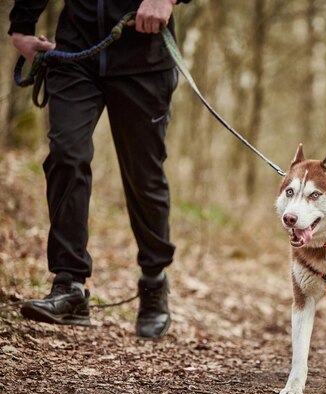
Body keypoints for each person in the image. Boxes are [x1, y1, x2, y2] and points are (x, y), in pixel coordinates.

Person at [9, 0, 190, 339]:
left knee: (143, 176)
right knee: (67, 154)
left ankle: (153, 282)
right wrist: (22, 25)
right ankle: (69, 286)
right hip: (75, 52)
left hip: (145, 59)